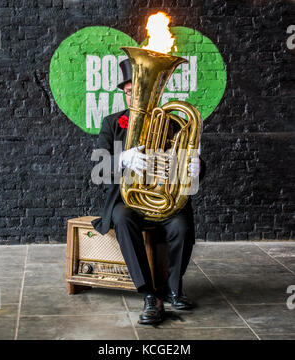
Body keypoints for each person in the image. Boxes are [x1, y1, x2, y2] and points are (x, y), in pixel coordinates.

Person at [91, 59, 205, 325]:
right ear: (124, 92)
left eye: (140, 90)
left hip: (163, 200)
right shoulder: (112, 123)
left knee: (182, 225)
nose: (135, 96)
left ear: (155, 92)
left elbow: (188, 157)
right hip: (128, 201)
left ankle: (173, 288)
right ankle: (149, 294)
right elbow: (97, 168)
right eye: (130, 91)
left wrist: (196, 166)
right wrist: (122, 158)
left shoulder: (172, 122)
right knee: (120, 218)